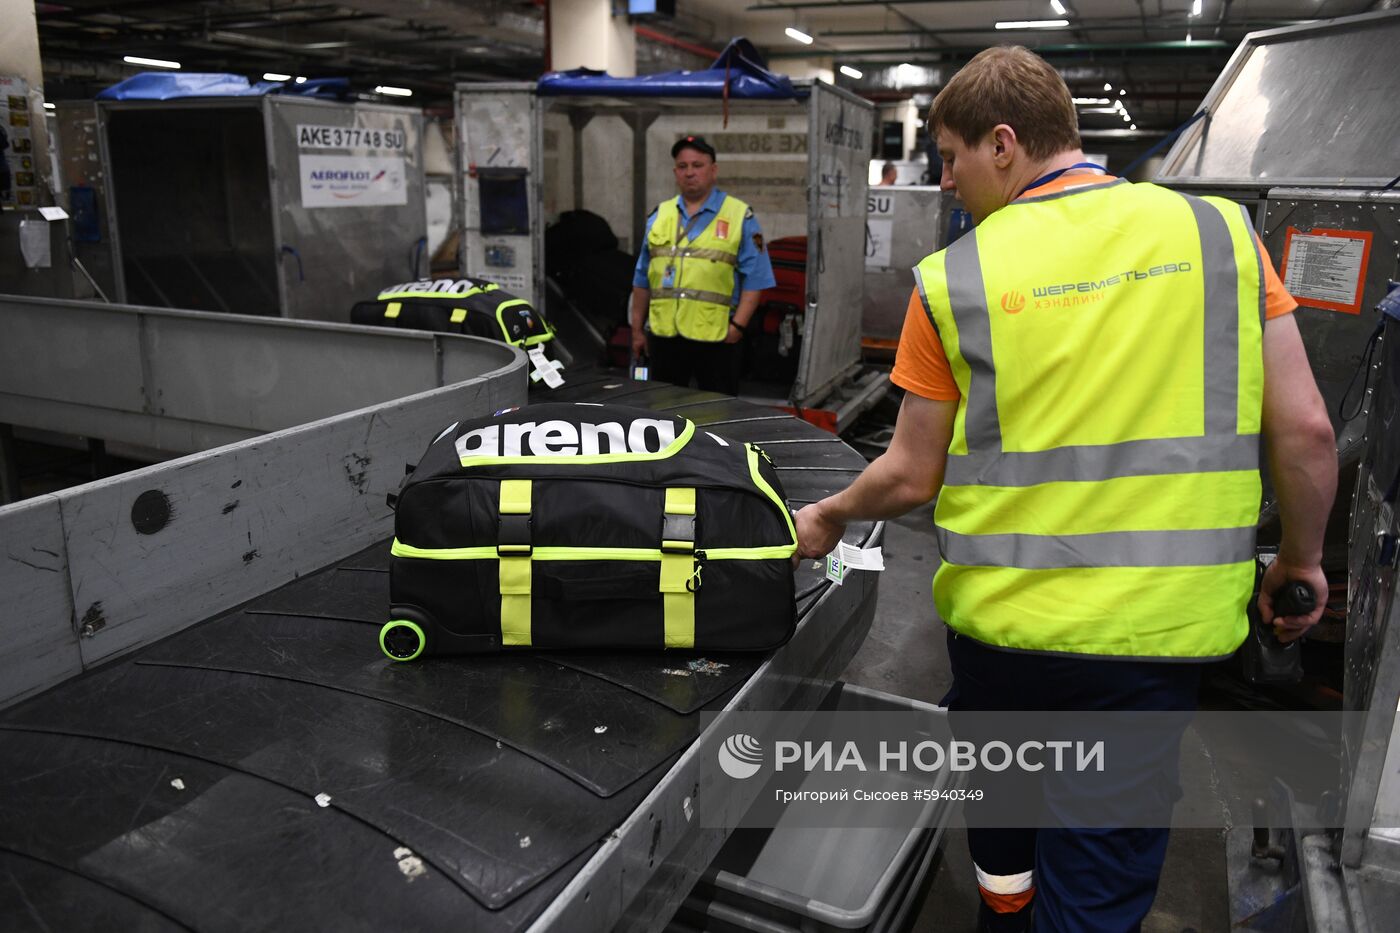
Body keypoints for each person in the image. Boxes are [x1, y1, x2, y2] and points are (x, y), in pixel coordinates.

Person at [794, 46, 1336, 932]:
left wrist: (826, 512)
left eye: (953, 158)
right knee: (1096, 864)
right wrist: (1300, 562)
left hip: (1007, 635)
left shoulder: (957, 278)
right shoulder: (1220, 237)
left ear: (1002, 144)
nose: (949, 181)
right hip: (1148, 643)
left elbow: (909, 471)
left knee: (1003, 836)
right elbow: (1308, 432)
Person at [629, 135, 776, 395]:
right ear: (675, 172)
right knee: (664, 413)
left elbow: (756, 278)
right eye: (683, 166)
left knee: (718, 414)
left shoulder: (739, 215)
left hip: (717, 338)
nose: (689, 173)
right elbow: (642, 279)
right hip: (665, 337)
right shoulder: (659, 215)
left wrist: (737, 328)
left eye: (697, 165)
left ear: (713, 170)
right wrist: (637, 330)